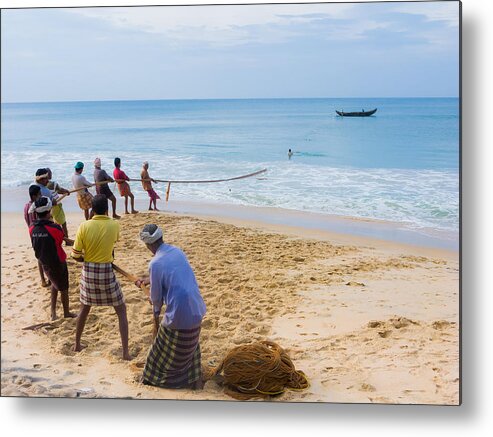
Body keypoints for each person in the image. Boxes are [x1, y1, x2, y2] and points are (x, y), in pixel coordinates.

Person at [135, 224, 206, 389]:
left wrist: (155, 310)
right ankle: (195, 380)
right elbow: (170, 274)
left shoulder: (155, 263)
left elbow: (156, 299)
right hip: (197, 309)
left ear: (148, 245)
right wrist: (147, 280)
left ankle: (152, 381)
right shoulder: (177, 252)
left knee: (156, 354)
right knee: (193, 348)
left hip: (179, 316)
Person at [71, 194, 130, 360]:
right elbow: (112, 244)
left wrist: (87, 259)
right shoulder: (114, 225)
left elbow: (75, 255)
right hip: (106, 272)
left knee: (84, 308)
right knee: (121, 309)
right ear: (107, 209)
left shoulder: (84, 226)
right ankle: (125, 352)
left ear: (91, 210)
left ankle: (77, 344)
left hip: (88, 272)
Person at [29, 197, 77, 320]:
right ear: (49, 210)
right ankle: (66, 313)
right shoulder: (55, 228)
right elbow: (60, 240)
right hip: (58, 261)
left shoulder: (32, 228)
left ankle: (53, 312)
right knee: (64, 288)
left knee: (54, 283)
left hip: (44, 262)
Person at [24, 185, 50, 288]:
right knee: (44, 258)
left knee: (39, 256)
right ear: (34, 196)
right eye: (39, 194)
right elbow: (41, 221)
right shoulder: (36, 208)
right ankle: (46, 279)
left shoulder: (26, 206)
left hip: (32, 234)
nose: (41, 195)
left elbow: (27, 220)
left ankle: (43, 279)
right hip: (41, 233)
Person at [46, 168, 74, 245]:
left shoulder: (43, 186)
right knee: (63, 223)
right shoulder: (52, 184)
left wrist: (64, 192)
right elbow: (60, 190)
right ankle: (67, 241)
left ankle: (56, 240)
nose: (51, 174)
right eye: (50, 173)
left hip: (48, 207)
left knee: (53, 223)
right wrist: (67, 191)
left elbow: (58, 191)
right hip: (56, 206)